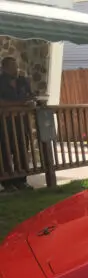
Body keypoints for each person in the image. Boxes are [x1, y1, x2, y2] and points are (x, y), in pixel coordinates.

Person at [0, 56, 34, 191]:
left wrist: (30, 102)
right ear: (4, 68)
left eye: (16, 65)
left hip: (21, 122)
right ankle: (7, 183)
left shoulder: (22, 81)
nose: (15, 68)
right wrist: (21, 104)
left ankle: (22, 180)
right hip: (4, 124)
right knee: (6, 152)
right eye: (11, 66)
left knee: (22, 151)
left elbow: (30, 96)